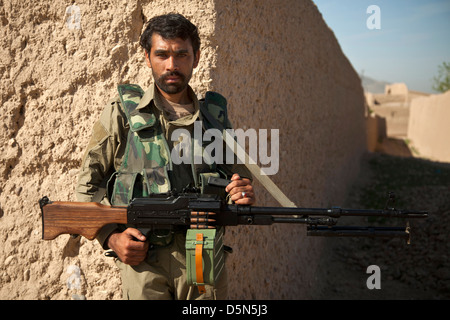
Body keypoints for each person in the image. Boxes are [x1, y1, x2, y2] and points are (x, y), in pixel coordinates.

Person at [75, 13, 255, 300]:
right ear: (147, 57)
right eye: (162, 54)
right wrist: (111, 236)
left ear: (196, 58)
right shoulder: (122, 115)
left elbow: (236, 181)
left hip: (203, 253)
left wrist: (240, 193)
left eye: (181, 54)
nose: (171, 65)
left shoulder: (215, 120)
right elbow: (88, 186)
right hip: (144, 262)